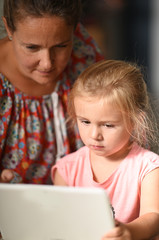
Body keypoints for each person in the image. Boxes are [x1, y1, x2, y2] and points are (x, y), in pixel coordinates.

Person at [52, 60, 159, 240]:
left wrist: (129, 232)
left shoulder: (148, 167)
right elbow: (58, 221)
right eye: (85, 122)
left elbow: (154, 216)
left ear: (135, 121)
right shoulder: (66, 169)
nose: (94, 135)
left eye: (108, 125)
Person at [0, 0, 104, 184]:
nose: (47, 63)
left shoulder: (84, 59)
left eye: (61, 46)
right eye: (32, 47)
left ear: (75, 30)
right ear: (9, 28)